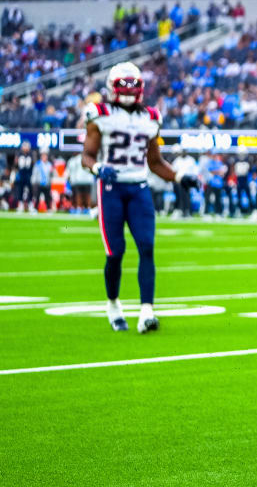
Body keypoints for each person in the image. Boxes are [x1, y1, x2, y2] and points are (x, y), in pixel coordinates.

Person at [80, 62, 199, 333]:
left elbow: (155, 162)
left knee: (147, 247)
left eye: (133, 86)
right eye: (125, 86)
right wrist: (99, 168)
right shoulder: (99, 114)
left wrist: (180, 177)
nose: (130, 91)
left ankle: (147, 312)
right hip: (111, 189)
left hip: (139, 187)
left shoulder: (150, 118)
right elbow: (87, 156)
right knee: (115, 253)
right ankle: (113, 304)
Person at [11, 141, 34, 212]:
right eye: (24, 146)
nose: (26, 148)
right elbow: (15, 166)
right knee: (20, 190)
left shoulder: (31, 154)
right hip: (21, 175)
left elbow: (33, 165)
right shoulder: (19, 154)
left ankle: (30, 205)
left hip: (28, 175)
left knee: (30, 190)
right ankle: (20, 204)